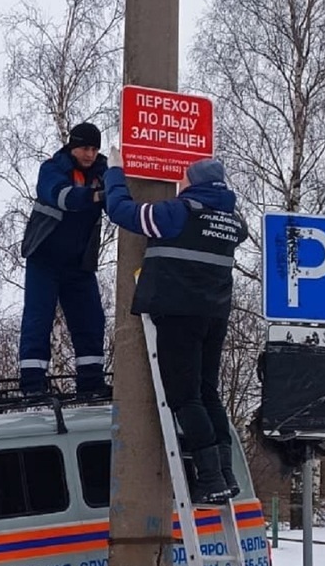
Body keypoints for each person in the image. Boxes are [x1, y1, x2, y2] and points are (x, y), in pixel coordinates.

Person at [103, 149, 248, 504]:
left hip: (177, 313)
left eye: (184, 178)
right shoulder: (233, 222)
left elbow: (122, 211)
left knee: (184, 397)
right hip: (214, 316)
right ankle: (225, 474)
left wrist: (115, 172)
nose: (179, 182)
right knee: (207, 393)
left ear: (194, 182)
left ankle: (211, 478)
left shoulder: (176, 214)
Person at [18, 122, 110, 398]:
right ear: (73, 146)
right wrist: (98, 195)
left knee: (91, 320)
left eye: (94, 149)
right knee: (39, 318)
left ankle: (91, 382)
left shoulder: (103, 171)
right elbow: (61, 196)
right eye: (85, 148)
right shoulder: (52, 169)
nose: (90, 154)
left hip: (79, 263)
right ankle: (33, 385)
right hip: (44, 258)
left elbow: (120, 193)